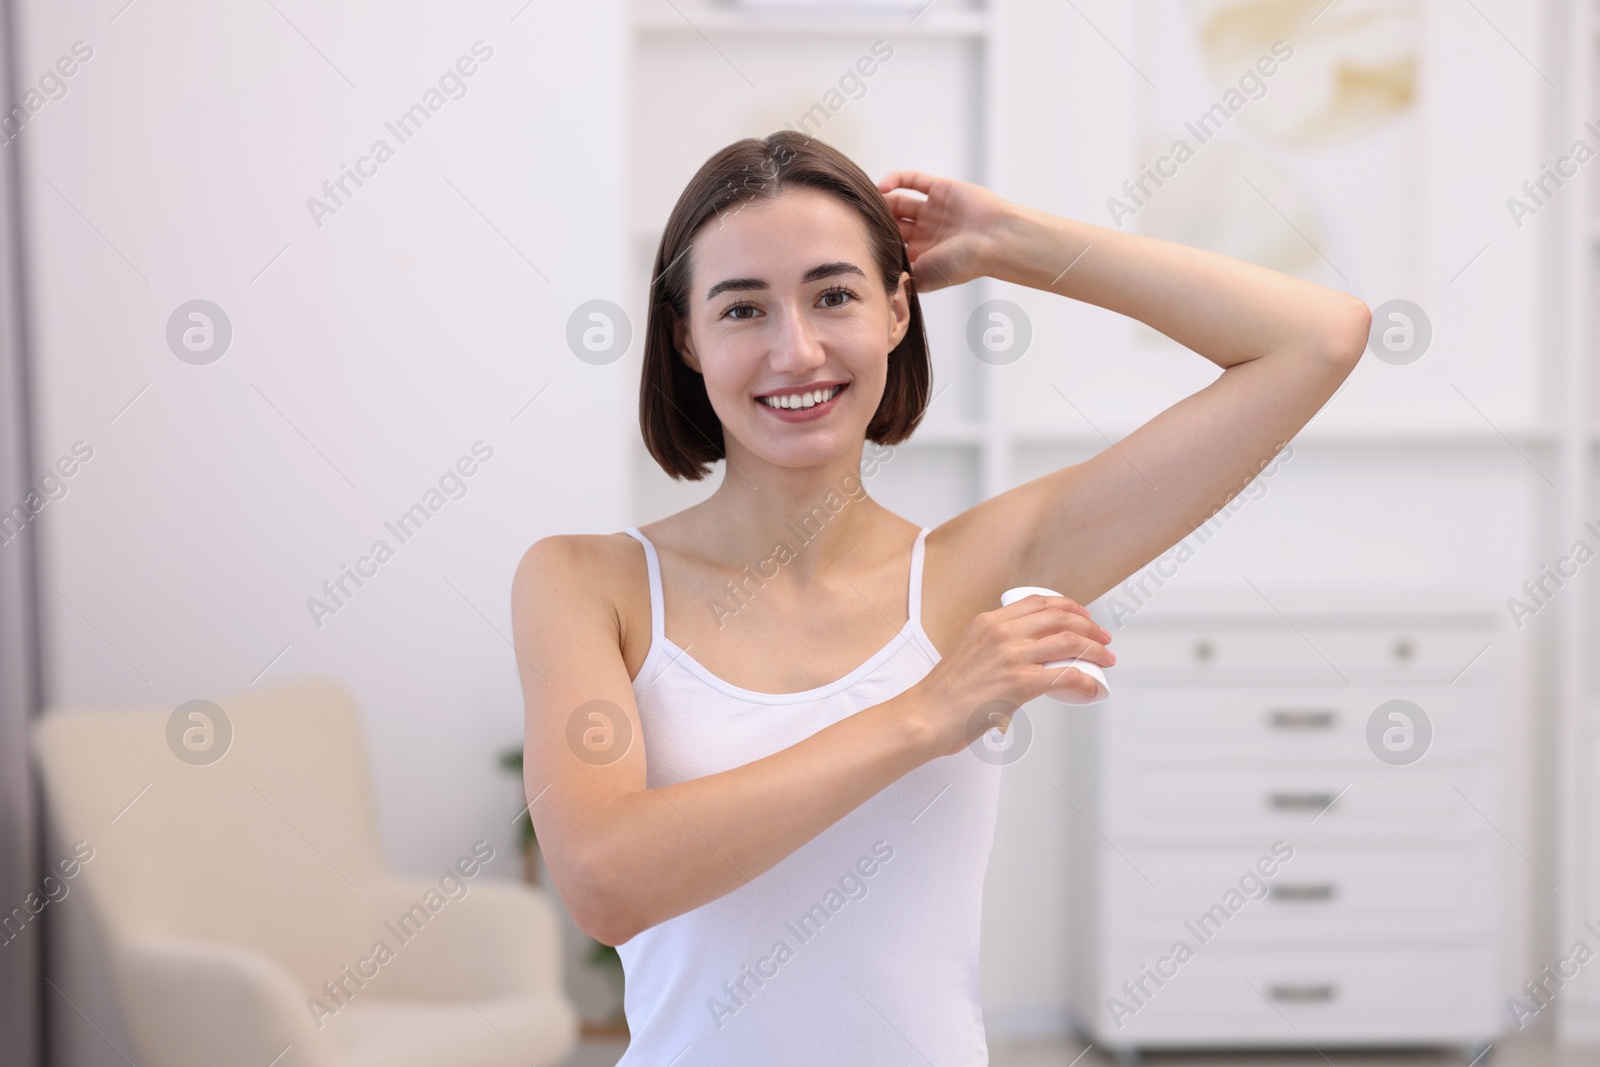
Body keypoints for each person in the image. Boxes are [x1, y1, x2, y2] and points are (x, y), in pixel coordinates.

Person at [510, 131, 1369, 1064]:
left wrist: (1011, 238)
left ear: (895, 312)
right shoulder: (587, 583)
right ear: (686, 338)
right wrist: (926, 711)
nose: (795, 350)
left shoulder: (976, 571)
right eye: (743, 308)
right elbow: (605, 879)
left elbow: (1317, 337)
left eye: (834, 295)